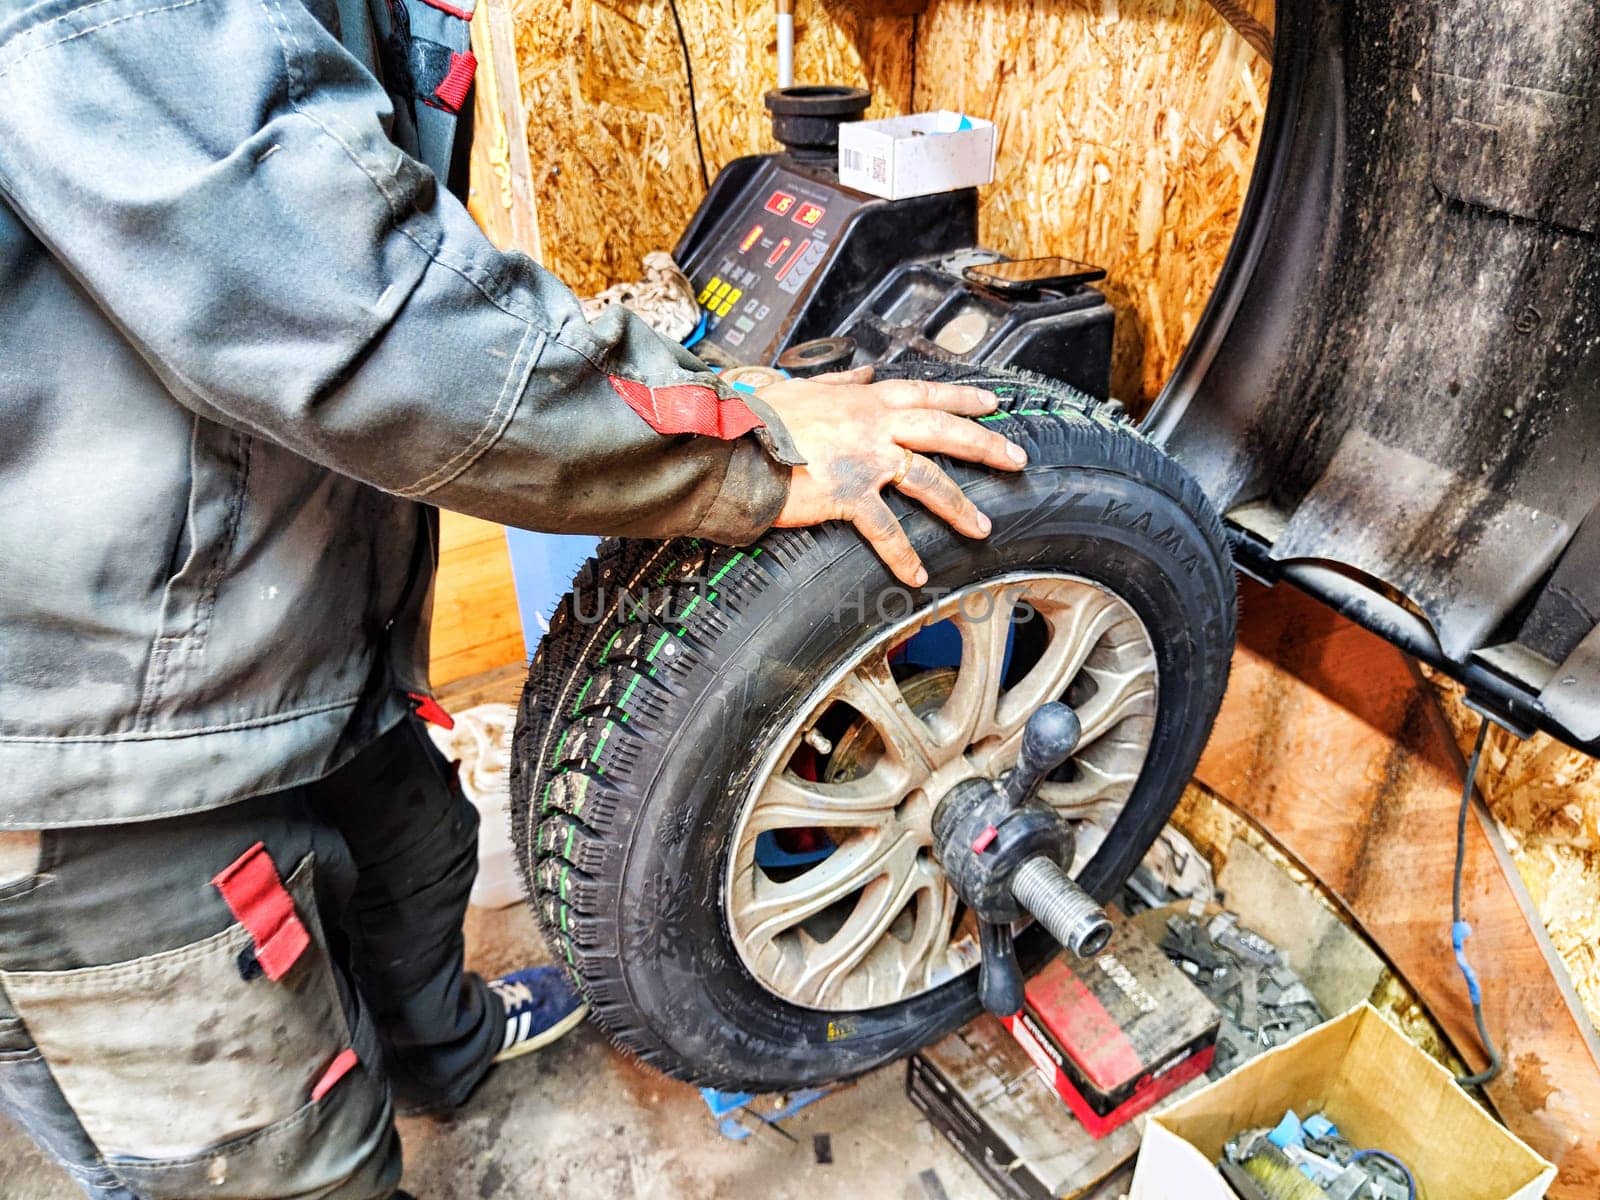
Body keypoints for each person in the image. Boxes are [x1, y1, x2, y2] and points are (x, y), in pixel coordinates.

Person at [0, 0, 1026, 1194]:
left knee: (418, 860)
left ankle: (447, 1055)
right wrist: (746, 442)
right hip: (87, 734)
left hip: (269, 618)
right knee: (262, 1158)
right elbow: (372, 320)